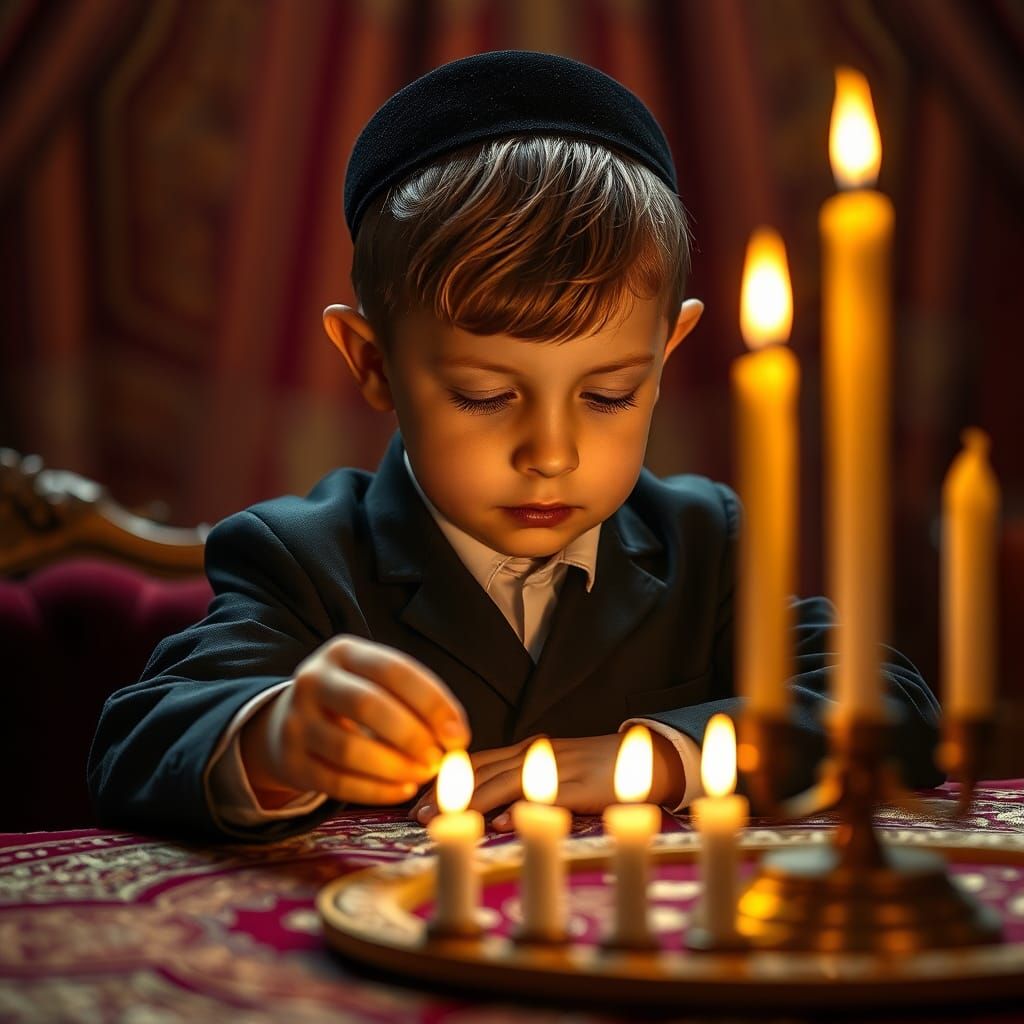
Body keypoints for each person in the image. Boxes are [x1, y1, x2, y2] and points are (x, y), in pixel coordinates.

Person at [88, 50, 942, 841]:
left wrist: (653, 758)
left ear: (666, 356)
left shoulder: (705, 542)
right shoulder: (304, 561)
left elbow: (887, 704)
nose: (552, 451)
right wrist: (273, 738)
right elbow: (137, 743)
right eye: (485, 396)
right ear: (373, 363)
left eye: (609, 395)